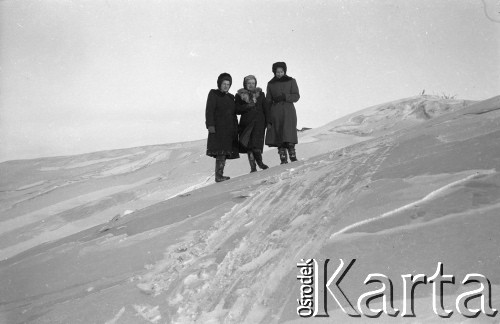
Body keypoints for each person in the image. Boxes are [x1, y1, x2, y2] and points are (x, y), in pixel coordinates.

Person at [205, 73, 240, 182]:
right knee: (220, 152)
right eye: (224, 83)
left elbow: (234, 112)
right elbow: (209, 110)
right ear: (219, 84)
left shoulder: (230, 97)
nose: (226, 86)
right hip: (218, 128)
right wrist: (210, 125)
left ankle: (220, 175)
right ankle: (218, 176)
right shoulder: (213, 94)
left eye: (228, 84)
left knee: (224, 152)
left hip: (229, 129)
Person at [265, 62, 300, 164]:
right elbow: (268, 100)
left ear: (285, 71)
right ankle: (283, 157)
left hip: (288, 111)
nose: (279, 74)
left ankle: (292, 155)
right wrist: (268, 115)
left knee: (289, 133)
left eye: (281, 71)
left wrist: (286, 97)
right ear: (274, 72)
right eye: (277, 72)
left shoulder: (291, 81)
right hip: (275, 112)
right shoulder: (270, 84)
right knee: (279, 133)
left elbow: (296, 96)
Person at [235, 75, 269, 173]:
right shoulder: (239, 95)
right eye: (248, 83)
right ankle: (253, 167)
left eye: (253, 83)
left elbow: (266, 108)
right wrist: (247, 106)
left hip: (259, 123)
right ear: (245, 84)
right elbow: (237, 109)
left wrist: (268, 121)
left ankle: (260, 163)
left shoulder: (261, 94)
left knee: (257, 145)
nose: (251, 85)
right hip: (246, 123)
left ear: (255, 84)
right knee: (249, 146)